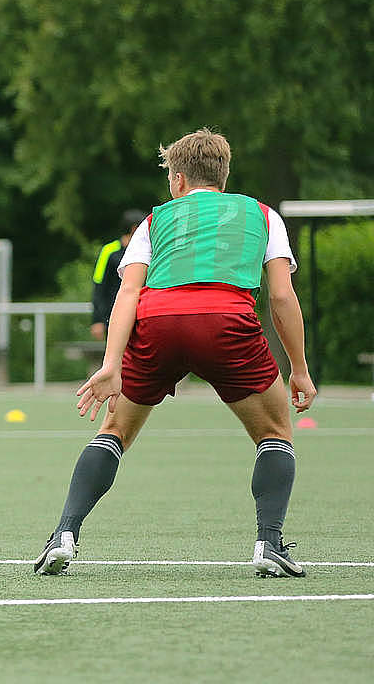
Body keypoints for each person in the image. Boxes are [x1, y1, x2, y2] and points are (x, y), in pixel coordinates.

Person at [34, 127, 316, 578]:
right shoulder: (263, 216)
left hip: (158, 322)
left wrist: (111, 365)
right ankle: (269, 542)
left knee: (115, 431)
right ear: (223, 174)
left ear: (179, 179)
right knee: (275, 432)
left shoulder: (154, 220)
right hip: (227, 321)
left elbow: (128, 293)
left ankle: (64, 534)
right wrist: (299, 369)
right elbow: (281, 297)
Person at [90, 209, 147, 341]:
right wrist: (97, 319)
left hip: (141, 316)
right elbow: (99, 286)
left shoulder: (146, 251)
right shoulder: (109, 251)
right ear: (135, 228)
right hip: (113, 316)